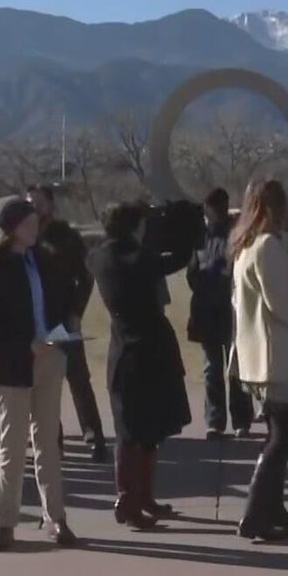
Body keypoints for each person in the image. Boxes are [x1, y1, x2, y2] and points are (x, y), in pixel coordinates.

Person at [0, 196, 78, 550]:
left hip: (50, 358)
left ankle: (56, 517)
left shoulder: (44, 258)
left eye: (35, 220)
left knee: (48, 441)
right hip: (11, 365)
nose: (34, 227)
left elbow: (67, 294)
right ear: (8, 227)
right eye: (26, 222)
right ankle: (6, 523)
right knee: (13, 445)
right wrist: (24, 344)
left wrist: (69, 322)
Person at [91, 201, 198, 530]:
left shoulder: (100, 256)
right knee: (135, 433)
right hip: (145, 352)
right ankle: (129, 501)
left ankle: (142, 497)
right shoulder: (136, 260)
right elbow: (176, 259)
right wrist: (185, 228)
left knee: (144, 431)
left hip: (126, 350)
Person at [231, 180, 288, 541]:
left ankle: (273, 507)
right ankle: (255, 514)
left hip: (258, 354)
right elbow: (280, 302)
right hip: (274, 355)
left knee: (279, 435)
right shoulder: (268, 247)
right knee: (282, 438)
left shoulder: (246, 246)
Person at [25, 185, 108, 462]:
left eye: (39, 202)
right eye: (30, 203)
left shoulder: (66, 237)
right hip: (36, 322)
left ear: (50, 205)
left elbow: (85, 278)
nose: (35, 208)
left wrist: (76, 312)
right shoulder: (24, 238)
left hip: (64, 319)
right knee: (43, 385)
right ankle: (53, 441)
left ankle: (94, 437)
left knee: (78, 379)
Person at [187, 188, 255, 439]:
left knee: (236, 366)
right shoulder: (200, 237)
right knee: (212, 368)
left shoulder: (237, 235)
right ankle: (215, 421)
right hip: (207, 310)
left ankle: (241, 420)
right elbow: (192, 271)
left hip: (232, 308)